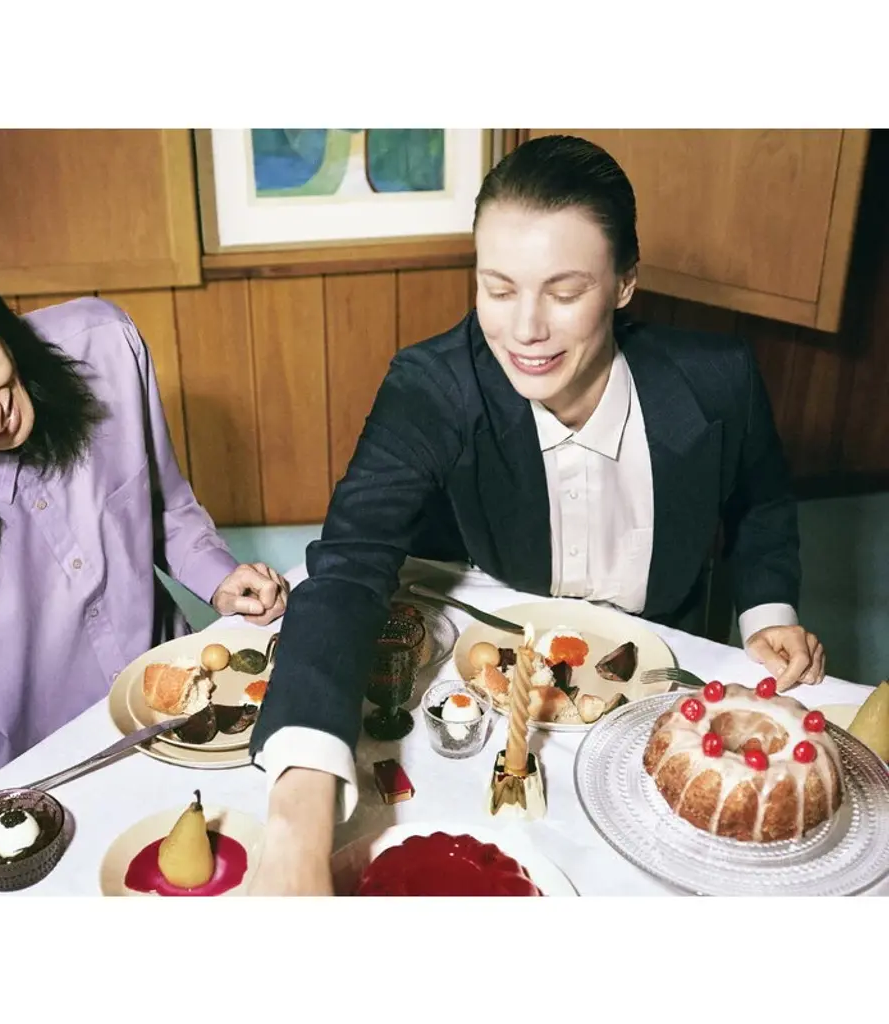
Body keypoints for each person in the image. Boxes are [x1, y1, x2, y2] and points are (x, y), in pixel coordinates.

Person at [245, 134, 826, 895]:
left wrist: (767, 609)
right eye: (498, 288)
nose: (525, 329)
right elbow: (350, 566)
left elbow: (762, 500)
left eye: (564, 291)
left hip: (663, 692)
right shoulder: (433, 385)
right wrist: (295, 827)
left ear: (624, 283)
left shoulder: (720, 380)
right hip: (493, 682)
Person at [0, 237, 288, 815]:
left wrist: (218, 577)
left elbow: (163, 504)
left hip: (187, 714)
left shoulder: (102, 346)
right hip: (32, 791)